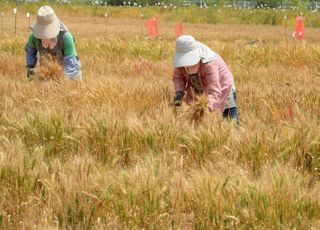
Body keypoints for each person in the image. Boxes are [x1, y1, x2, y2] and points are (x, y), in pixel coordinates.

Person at [172, 35, 239, 124]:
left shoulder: (209, 63)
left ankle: (236, 133)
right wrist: (179, 92)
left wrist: (205, 108)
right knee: (198, 122)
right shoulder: (181, 64)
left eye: (190, 64)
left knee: (230, 119)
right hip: (200, 86)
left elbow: (214, 91)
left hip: (223, 86)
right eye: (185, 64)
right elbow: (178, 77)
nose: (187, 68)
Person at [25, 5, 82, 80]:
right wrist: (30, 68)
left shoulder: (66, 38)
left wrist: (59, 79)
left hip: (70, 74)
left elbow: (71, 66)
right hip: (46, 74)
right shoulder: (33, 37)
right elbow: (30, 52)